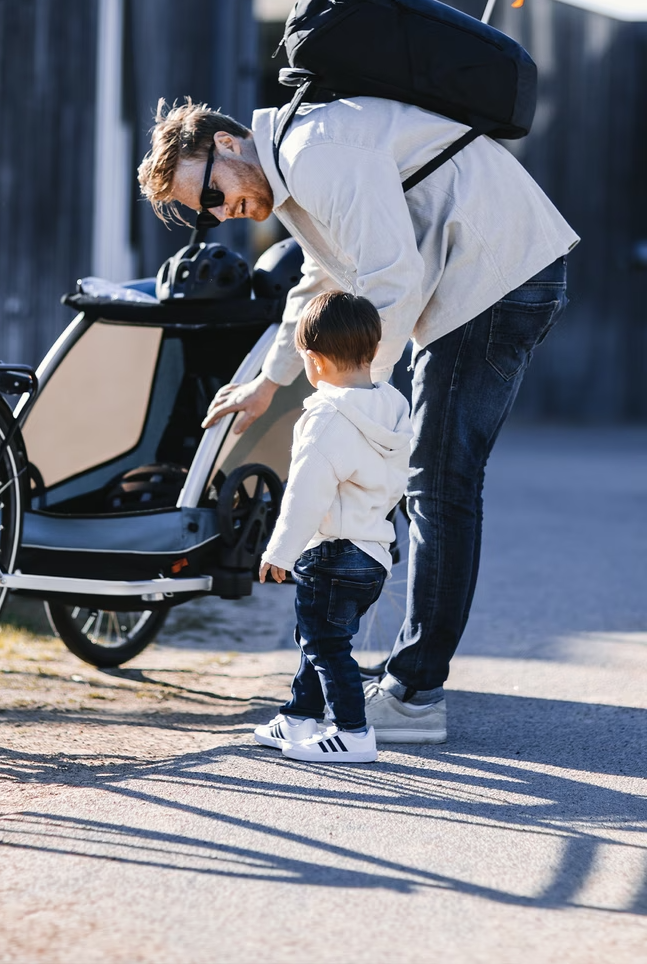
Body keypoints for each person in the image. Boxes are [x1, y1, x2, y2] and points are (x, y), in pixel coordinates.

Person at [138, 96, 577, 743]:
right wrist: (269, 382)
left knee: (441, 483)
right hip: (484, 271)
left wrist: (358, 398)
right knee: (438, 480)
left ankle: (415, 696)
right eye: (206, 215)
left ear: (228, 145)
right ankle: (413, 682)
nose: (218, 214)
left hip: (497, 271)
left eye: (210, 194)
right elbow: (322, 279)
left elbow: (392, 278)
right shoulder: (295, 169)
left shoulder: (314, 152)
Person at [252, 290, 412, 762]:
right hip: (374, 555)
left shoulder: (325, 417)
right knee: (319, 637)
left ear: (315, 361)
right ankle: (299, 717)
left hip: (332, 553)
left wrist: (279, 552)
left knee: (325, 644)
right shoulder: (393, 407)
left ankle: (353, 734)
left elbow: (305, 494)